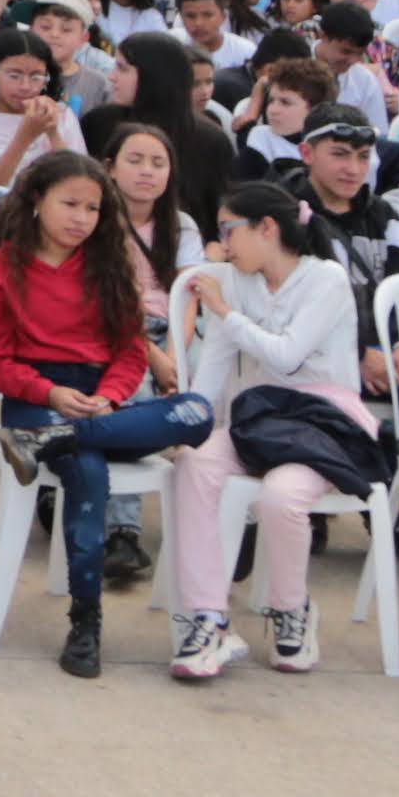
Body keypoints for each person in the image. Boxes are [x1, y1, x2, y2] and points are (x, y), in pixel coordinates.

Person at [0, 149, 218, 679]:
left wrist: (110, 396)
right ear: (37, 200)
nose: (82, 218)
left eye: (93, 208)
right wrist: (50, 394)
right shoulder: (2, 264)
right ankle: (86, 619)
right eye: (71, 204)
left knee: (196, 412)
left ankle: (60, 439)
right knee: (88, 473)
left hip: (99, 398)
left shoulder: (109, 263)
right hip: (37, 397)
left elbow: (129, 351)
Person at [156, 181, 372, 680]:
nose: (223, 245)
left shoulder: (326, 279)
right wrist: (192, 423)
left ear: (267, 228)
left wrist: (224, 312)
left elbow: (286, 356)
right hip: (259, 422)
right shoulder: (235, 281)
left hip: (323, 422)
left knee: (281, 496)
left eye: (229, 230)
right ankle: (208, 617)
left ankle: (291, 608)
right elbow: (215, 363)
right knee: (194, 464)